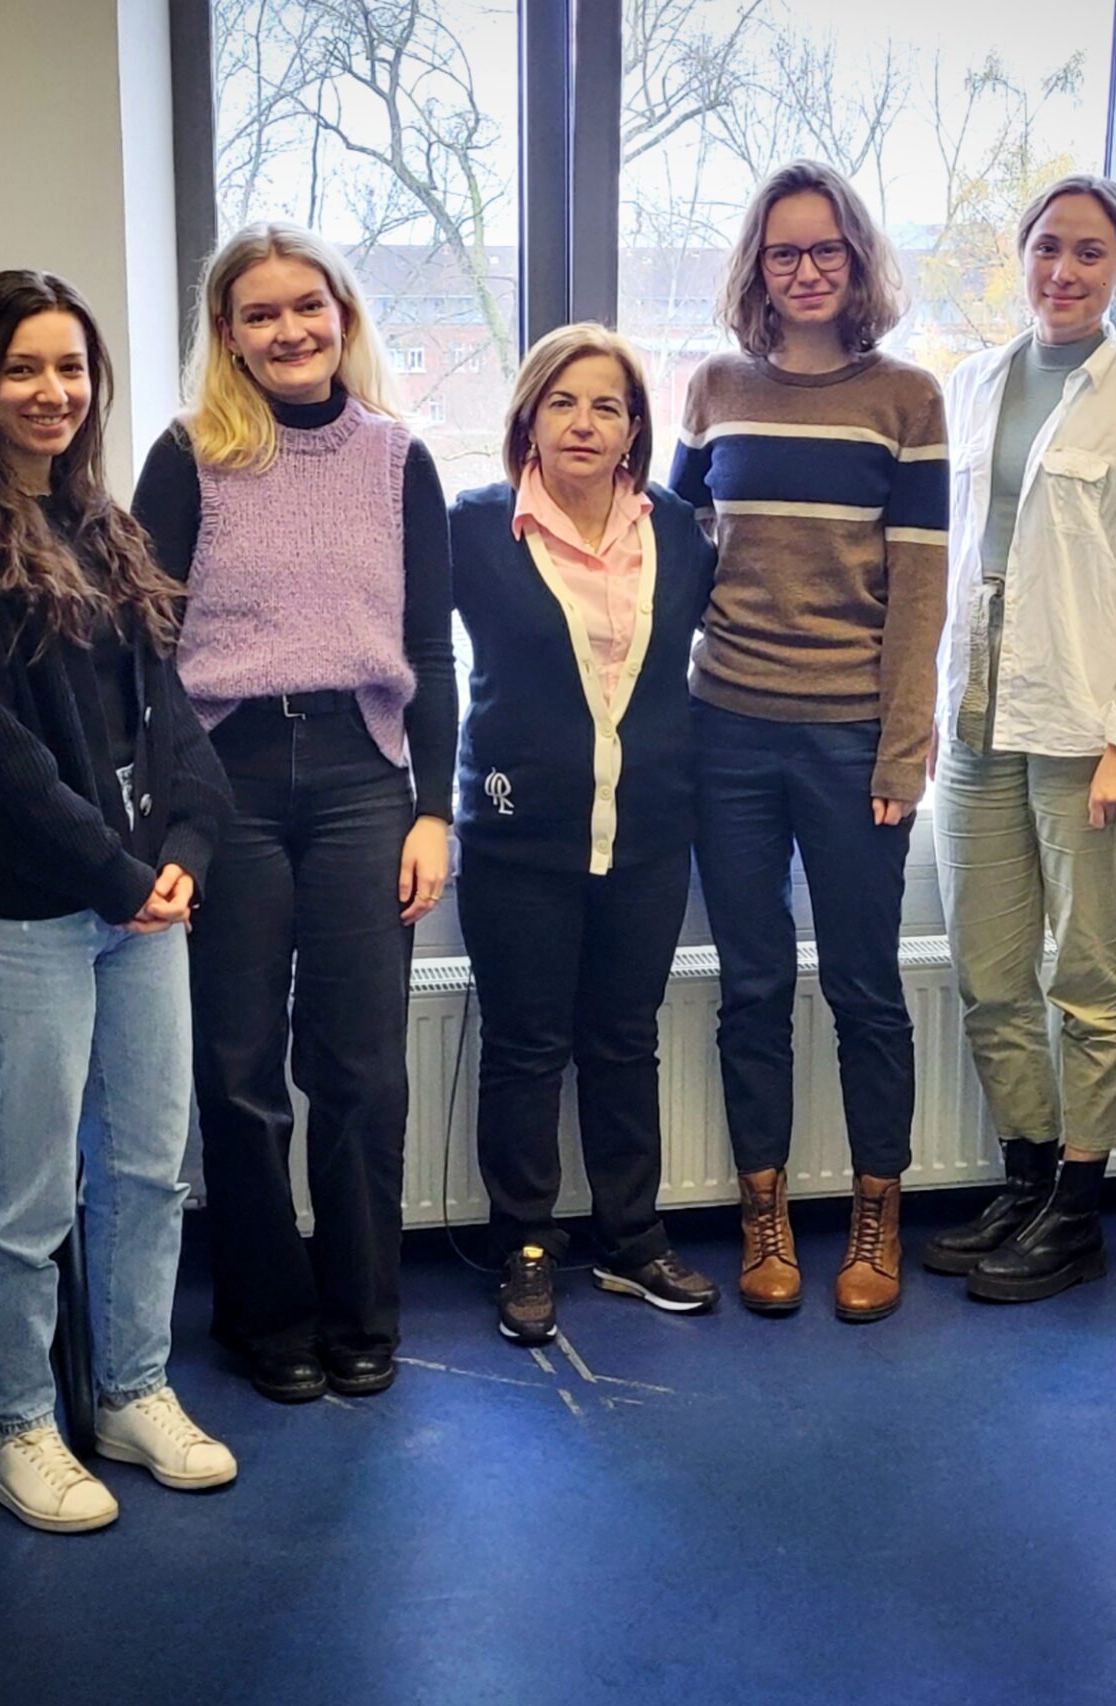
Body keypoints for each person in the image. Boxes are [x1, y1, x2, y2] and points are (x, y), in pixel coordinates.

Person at [0, 271, 239, 1532]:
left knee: (145, 1162)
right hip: (19, 913)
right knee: (28, 1188)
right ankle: (17, 1428)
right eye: (25, 368)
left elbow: (170, 712)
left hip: (137, 902)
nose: (53, 392)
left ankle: (132, 1389)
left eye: (72, 369)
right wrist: (124, 875)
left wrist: (186, 837)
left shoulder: (103, 520)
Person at [131, 223, 457, 1402]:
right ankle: (265, 1316)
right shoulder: (186, 458)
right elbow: (146, 650)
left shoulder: (394, 458)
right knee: (238, 1066)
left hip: (368, 780)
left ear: (343, 313)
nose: (289, 329)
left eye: (306, 306)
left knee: (363, 1066)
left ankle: (363, 1310)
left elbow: (429, 646)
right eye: (259, 313)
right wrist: (175, 817)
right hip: (231, 779)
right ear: (228, 334)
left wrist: (434, 807)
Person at [669, 160, 949, 1322]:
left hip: (848, 740)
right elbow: (676, 559)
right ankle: (764, 1214)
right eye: (783, 251)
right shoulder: (712, 389)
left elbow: (921, 594)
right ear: (756, 267)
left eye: (824, 248)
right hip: (723, 728)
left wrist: (900, 750)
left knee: (865, 986)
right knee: (748, 986)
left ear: (857, 258)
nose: (805, 268)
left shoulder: (907, 400)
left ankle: (876, 1217)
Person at [926, 176, 1116, 1303]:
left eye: (1090, 253)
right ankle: (1025, 1178)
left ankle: (1079, 1212)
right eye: (1047, 247)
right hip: (979, 719)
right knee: (990, 977)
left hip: (1098, 731)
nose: (1064, 271)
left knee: (1086, 981)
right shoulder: (971, 383)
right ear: (1022, 255)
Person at [449, 322, 722, 1346]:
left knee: (624, 1038)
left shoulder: (682, 534)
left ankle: (629, 1236)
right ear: (528, 415)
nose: (583, 420)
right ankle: (524, 1242)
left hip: (648, 830)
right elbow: (421, 669)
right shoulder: (474, 525)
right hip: (518, 833)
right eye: (562, 399)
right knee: (525, 1046)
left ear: (635, 428)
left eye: (606, 404)